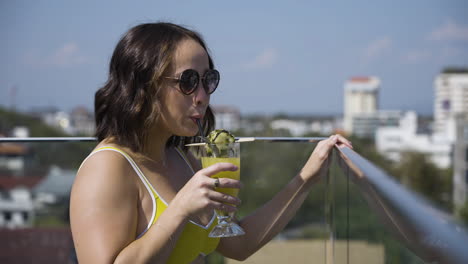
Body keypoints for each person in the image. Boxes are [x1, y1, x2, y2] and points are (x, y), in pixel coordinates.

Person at [69, 22, 352, 264]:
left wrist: (307, 178)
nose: (203, 96)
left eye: (209, 80)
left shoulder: (181, 159)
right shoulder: (107, 168)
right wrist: (180, 209)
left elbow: (239, 245)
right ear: (144, 86)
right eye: (189, 81)